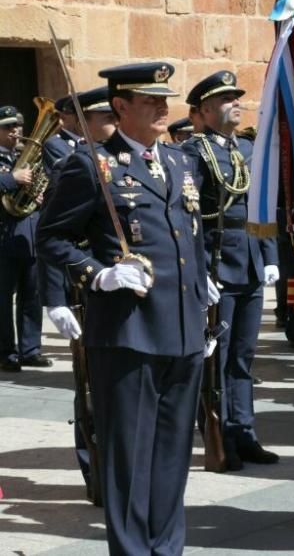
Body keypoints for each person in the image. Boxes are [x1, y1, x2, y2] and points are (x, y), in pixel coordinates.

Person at [36, 62, 218, 554]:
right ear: (120, 106)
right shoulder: (92, 163)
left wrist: (203, 293)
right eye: (149, 100)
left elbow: (191, 236)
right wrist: (98, 273)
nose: (163, 107)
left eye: (165, 99)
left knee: (173, 456)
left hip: (182, 331)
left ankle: (167, 548)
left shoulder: (180, 161)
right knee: (131, 459)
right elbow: (51, 237)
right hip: (129, 332)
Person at [182, 71, 281, 470]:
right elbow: (189, 216)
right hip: (219, 266)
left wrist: (271, 255)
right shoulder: (194, 152)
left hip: (252, 265)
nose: (235, 103)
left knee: (243, 357)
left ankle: (245, 431)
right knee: (216, 361)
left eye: (237, 97)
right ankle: (219, 439)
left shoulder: (247, 147)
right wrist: (199, 271)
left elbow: (261, 208)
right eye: (225, 99)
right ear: (204, 111)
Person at [37, 86, 116, 504]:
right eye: (105, 115)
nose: (112, 122)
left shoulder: (127, 161)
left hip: (120, 293)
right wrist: (55, 299)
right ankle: (94, 471)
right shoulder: (74, 164)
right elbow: (51, 237)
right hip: (83, 288)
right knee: (88, 389)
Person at [0, 105, 47, 373]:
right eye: (7, 127)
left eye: (17, 126)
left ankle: (30, 350)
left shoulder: (25, 157)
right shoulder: (11, 166)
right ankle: (6, 352)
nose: (15, 131)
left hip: (28, 236)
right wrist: (11, 178)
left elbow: (43, 185)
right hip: (3, 237)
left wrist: (39, 196)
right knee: (3, 299)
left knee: (32, 296)